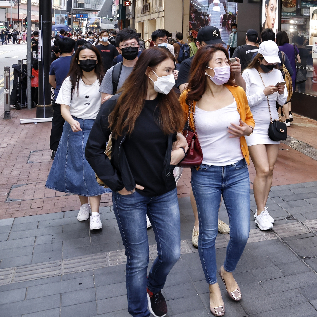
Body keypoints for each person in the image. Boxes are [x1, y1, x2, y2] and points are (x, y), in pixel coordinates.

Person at [85, 47, 187, 317]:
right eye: (167, 70)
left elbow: (176, 136)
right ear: (149, 71)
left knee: (172, 254)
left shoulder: (169, 102)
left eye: (173, 70)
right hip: (130, 196)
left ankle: (153, 287)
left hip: (164, 191)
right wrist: (118, 183)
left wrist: (181, 148)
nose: (172, 76)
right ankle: (138, 311)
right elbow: (93, 149)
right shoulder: (118, 104)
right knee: (138, 259)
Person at [181, 45, 254, 316]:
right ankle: (213, 285)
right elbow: (178, 129)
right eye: (220, 61)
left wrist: (246, 129)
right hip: (205, 174)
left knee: (242, 232)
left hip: (237, 170)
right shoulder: (189, 98)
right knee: (208, 235)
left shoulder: (237, 92)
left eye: (226, 60)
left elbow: (249, 121)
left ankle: (228, 270)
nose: (226, 66)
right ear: (205, 68)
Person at [45, 44, 110, 230]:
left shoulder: (104, 79)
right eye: (83, 58)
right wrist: (72, 121)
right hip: (74, 127)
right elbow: (63, 107)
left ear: (97, 59)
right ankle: (83, 206)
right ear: (77, 60)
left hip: (97, 128)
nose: (87, 61)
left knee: (92, 170)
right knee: (77, 168)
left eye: (91, 57)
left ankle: (95, 213)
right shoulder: (70, 81)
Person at [242, 40, 288, 231]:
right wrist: (263, 92)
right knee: (262, 169)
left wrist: (281, 92)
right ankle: (260, 211)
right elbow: (244, 103)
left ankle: (263, 208)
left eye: (273, 62)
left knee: (269, 169)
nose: (271, 65)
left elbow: (282, 101)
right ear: (259, 58)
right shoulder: (248, 74)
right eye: (268, 62)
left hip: (272, 127)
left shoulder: (278, 73)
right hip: (254, 128)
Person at [177, 26, 244, 93]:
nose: (215, 49)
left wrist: (237, 74)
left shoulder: (225, 64)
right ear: (199, 45)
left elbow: (241, 90)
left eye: (218, 45)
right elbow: (184, 92)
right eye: (210, 46)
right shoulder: (188, 64)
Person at [49, 37, 76, 158]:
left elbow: (51, 81)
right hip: (75, 96)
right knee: (74, 122)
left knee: (57, 123)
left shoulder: (55, 63)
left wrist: (59, 88)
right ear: (73, 49)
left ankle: (55, 149)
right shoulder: (77, 61)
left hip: (59, 97)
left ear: (59, 49)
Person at [101, 29, 141, 104]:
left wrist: (115, 97)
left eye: (133, 44)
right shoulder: (112, 73)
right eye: (125, 45)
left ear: (138, 47)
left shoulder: (148, 69)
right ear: (118, 49)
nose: (129, 47)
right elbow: (105, 101)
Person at [276, 31, 300, 125]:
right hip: (291, 74)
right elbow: (299, 59)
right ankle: (289, 113)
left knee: (282, 95)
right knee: (289, 94)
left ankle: (284, 116)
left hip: (281, 75)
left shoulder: (278, 49)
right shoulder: (293, 47)